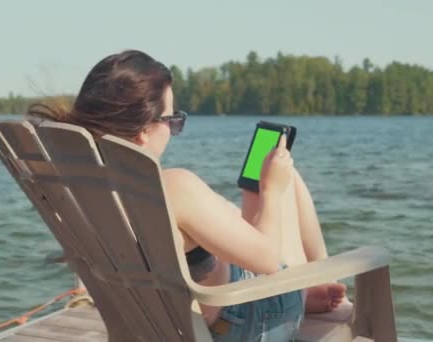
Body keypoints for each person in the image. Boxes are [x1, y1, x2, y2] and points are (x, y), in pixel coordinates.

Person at [28, 49, 348, 341]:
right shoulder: (174, 187)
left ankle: (310, 290)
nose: (174, 129)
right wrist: (271, 190)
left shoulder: (77, 189)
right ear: (144, 130)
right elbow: (267, 262)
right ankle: (321, 291)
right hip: (243, 325)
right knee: (286, 178)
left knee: (253, 201)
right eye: (173, 120)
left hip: (156, 326)